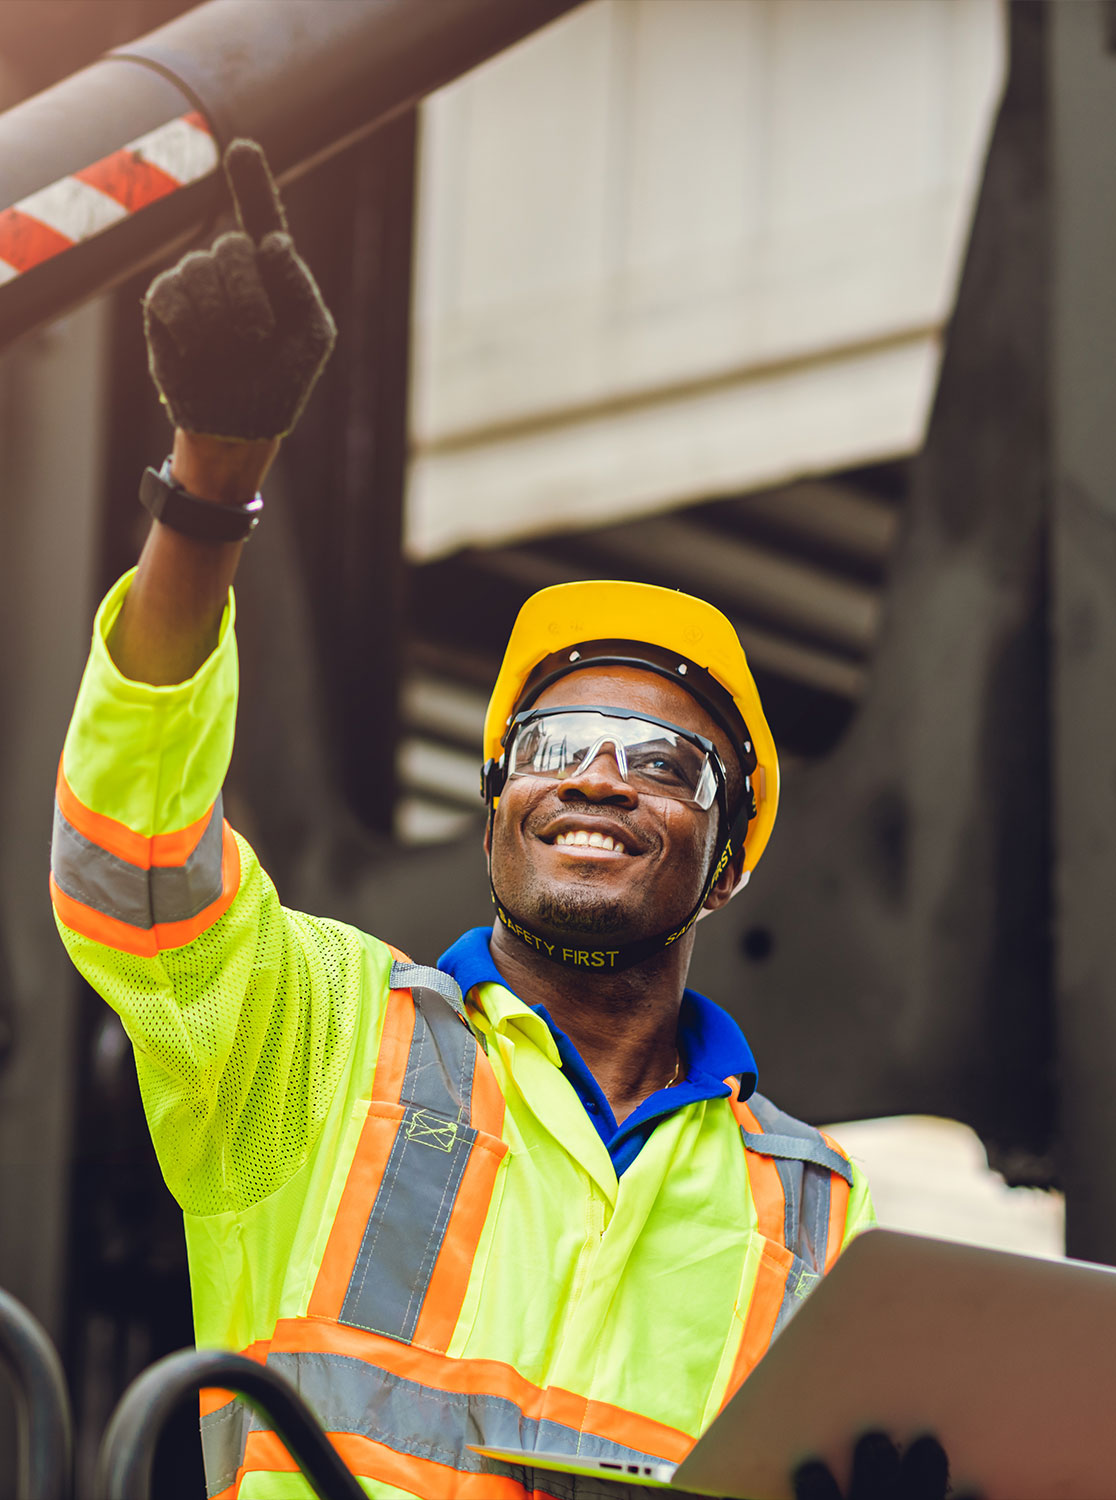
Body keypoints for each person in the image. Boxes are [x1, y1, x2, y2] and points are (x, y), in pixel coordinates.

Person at [51, 141, 961, 1500]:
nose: (596, 778)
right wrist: (211, 482)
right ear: (498, 812)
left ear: (724, 867)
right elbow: (133, 861)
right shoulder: (316, 1038)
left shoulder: (821, 1218)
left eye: (660, 760)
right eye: (556, 747)